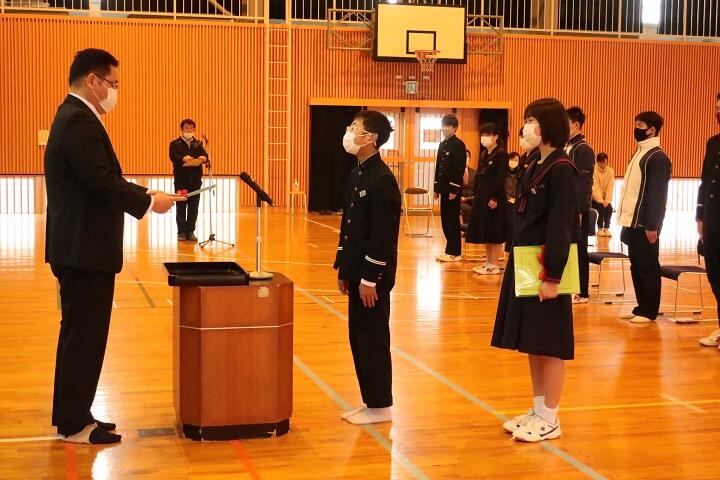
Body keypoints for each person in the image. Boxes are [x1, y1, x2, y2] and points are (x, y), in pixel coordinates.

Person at [44, 49, 184, 444]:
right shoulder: (78, 121)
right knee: (83, 338)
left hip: (81, 248)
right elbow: (102, 182)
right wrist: (148, 203)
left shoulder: (75, 117)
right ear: (93, 81)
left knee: (81, 336)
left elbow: (103, 180)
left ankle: (75, 413)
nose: (115, 92)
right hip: (83, 250)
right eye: (113, 84)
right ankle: (74, 425)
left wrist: (148, 193)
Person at [492, 98, 579, 443]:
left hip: (546, 267)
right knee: (533, 342)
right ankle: (539, 410)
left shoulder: (562, 169)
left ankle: (551, 418)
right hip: (525, 263)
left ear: (548, 126)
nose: (525, 127)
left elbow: (560, 227)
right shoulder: (534, 163)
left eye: (531, 121)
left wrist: (553, 277)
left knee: (551, 345)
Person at [334, 110, 401, 425]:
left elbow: (383, 237)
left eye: (355, 128)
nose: (349, 132)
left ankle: (381, 405)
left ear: (371, 138)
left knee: (373, 339)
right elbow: (349, 227)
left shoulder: (382, 179)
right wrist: (344, 269)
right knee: (359, 338)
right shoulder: (358, 174)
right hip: (356, 273)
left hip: (372, 277)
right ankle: (370, 401)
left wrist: (370, 279)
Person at [617, 111, 672, 324]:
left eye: (640, 125)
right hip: (632, 221)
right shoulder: (639, 153)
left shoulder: (657, 157)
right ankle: (641, 307)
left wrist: (651, 225)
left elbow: (657, 195)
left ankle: (649, 311)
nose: (636, 129)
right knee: (637, 266)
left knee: (647, 267)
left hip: (645, 225)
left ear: (652, 130)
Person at [467, 122, 508, 275]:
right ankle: (488, 262)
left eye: (487, 135)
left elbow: (500, 178)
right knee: (487, 230)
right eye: (482, 135)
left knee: (494, 231)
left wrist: (495, 198)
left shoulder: (501, 154)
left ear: (495, 137)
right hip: (482, 195)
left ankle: (494, 264)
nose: (484, 138)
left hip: (494, 197)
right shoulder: (485, 153)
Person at [565, 107, 595, 305]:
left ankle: (582, 291)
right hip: (566, 206)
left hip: (578, 208)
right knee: (568, 247)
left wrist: (580, 209)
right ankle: (569, 285)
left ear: (576, 125)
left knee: (579, 248)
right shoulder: (567, 146)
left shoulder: (583, 149)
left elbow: (584, 182)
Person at [697, 93, 720, 349]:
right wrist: (699, 216)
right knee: (715, 274)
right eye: (716, 108)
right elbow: (705, 182)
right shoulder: (713, 142)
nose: (718, 113)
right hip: (712, 220)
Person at [433, 115, 467, 262]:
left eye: (447, 126)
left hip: (453, 190)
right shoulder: (442, 144)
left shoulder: (459, 145)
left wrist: (454, 190)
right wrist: (436, 188)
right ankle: (449, 250)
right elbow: (439, 168)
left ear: (455, 128)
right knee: (445, 220)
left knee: (452, 220)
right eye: (443, 125)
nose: (444, 128)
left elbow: (458, 169)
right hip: (443, 188)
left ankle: (455, 252)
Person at [169, 119, 208, 242]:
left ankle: (190, 231)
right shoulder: (175, 144)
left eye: (191, 128)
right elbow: (173, 156)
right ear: (181, 129)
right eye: (186, 128)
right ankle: (181, 232)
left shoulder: (198, 143)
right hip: (181, 181)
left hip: (195, 181)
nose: (189, 130)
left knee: (193, 207)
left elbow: (206, 157)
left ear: (194, 129)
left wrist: (204, 158)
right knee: (181, 207)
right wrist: (183, 158)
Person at [592, 152, 615, 237]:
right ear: (597, 162)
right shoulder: (593, 170)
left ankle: (607, 228)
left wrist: (607, 200)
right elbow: (594, 187)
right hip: (594, 199)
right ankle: (600, 229)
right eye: (601, 162)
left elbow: (610, 187)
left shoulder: (610, 171)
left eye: (604, 162)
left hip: (605, 199)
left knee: (609, 208)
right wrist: (601, 200)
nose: (603, 164)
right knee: (600, 207)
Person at [460, 150, 476, 225]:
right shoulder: (456, 172)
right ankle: (467, 229)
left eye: (467, 156)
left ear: (469, 158)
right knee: (468, 209)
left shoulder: (475, 172)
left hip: (472, 199)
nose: (465, 158)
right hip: (460, 200)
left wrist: (468, 199)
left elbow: (477, 189)